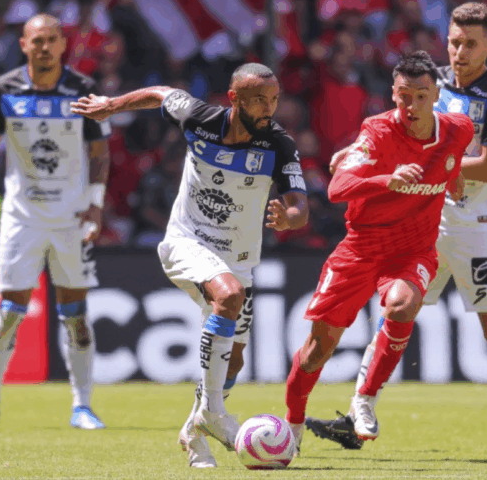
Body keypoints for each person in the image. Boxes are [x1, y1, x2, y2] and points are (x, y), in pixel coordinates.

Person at [307, 3, 487, 455]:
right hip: (425, 221)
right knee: (395, 310)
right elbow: (394, 126)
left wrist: (431, 167)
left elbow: (486, 167)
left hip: (476, 227)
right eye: (453, 41)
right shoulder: (433, 82)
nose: (459, 51)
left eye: (470, 43)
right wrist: (356, 151)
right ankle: (357, 413)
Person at [71, 63, 309, 468]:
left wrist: (291, 217)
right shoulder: (200, 118)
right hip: (186, 242)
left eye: (273, 100)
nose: (269, 109)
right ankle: (214, 414)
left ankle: (194, 430)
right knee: (229, 295)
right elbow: (162, 92)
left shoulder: (278, 145)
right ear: (234, 99)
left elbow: (300, 204)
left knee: (233, 361)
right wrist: (111, 105)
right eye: (259, 101)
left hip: (239, 260)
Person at [284, 51, 472, 453]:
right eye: (404, 95)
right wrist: (389, 180)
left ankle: (364, 399)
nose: (412, 106)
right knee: (318, 350)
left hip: (413, 250)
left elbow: (451, 162)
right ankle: (293, 424)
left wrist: (453, 182)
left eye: (421, 96)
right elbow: (336, 189)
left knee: (403, 306)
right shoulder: (377, 131)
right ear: (393, 93)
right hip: (361, 248)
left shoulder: (460, 129)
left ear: (436, 93)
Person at [0, 14, 110, 430]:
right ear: (23, 44)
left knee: (75, 313)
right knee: (9, 312)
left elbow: (99, 153)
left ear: (64, 45)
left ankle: (83, 406)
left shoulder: (83, 90)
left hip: (71, 219)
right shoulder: (4, 89)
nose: (45, 47)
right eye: (37, 40)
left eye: (52, 40)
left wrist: (95, 204)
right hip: (21, 217)